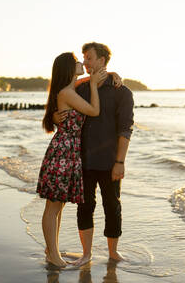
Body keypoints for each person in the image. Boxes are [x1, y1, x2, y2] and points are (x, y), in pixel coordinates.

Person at [54, 42, 134, 266]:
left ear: (102, 60)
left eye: (88, 58)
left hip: (110, 161)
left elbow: (125, 129)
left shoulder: (122, 92)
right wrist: (53, 116)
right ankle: (86, 254)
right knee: (85, 206)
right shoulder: (80, 88)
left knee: (112, 205)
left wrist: (120, 161)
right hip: (82, 160)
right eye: (84, 58)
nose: (85, 62)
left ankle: (113, 252)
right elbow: (59, 103)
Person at [36, 52, 107, 268]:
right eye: (76, 60)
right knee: (53, 207)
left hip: (67, 152)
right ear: (68, 67)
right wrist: (94, 86)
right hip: (63, 153)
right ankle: (53, 255)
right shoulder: (67, 92)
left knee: (58, 206)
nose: (80, 63)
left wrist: (107, 76)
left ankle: (52, 251)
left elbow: (87, 78)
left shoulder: (69, 89)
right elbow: (94, 111)